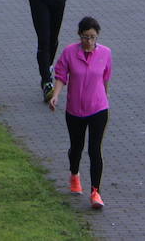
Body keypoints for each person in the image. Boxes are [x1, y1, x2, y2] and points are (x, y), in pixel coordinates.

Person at [48, 17, 112, 210]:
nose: (89, 42)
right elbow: (61, 76)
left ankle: (95, 192)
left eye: (93, 37)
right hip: (75, 109)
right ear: (79, 36)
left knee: (94, 150)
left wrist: (105, 98)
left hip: (98, 109)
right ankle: (74, 174)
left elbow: (105, 78)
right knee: (76, 147)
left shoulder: (105, 54)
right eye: (85, 37)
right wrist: (55, 96)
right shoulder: (69, 53)